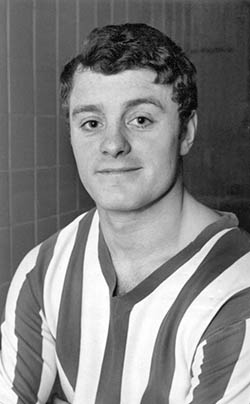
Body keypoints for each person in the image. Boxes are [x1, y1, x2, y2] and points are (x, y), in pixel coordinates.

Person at [1, 23, 250, 404]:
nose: (113, 144)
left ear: (186, 133)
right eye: (91, 123)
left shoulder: (238, 292)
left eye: (141, 120)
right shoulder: (42, 272)